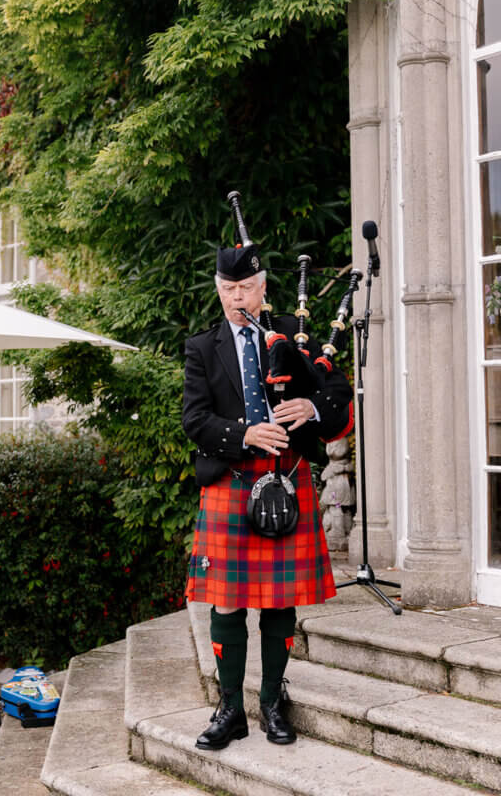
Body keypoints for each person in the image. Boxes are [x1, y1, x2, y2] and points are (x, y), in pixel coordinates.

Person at [183, 243, 353, 750]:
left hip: (289, 475)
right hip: (232, 482)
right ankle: (231, 708)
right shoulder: (202, 347)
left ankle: (274, 702)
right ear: (218, 290)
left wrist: (312, 405)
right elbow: (195, 420)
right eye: (228, 289)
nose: (238, 297)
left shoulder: (293, 339)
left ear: (263, 288)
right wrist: (245, 434)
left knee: (280, 602)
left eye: (246, 288)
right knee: (226, 602)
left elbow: (337, 391)